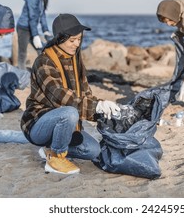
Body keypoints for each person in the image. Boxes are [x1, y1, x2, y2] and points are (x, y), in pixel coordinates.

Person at [20, 13, 120, 175]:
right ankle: (56, 159)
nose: (77, 44)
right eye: (72, 40)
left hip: (64, 125)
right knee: (69, 112)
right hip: (38, 123)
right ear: (60, 38)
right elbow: (60, 96)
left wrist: (103, 108)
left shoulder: (76, 60)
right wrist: (96, 107)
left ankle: (50, 150)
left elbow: (86, 94)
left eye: (79, 39)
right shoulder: (44, 62)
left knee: (93, 151)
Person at [13, 0, 56, 69]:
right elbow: (32, 17)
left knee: (40, 49)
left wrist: (45, 31)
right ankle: (22, 73)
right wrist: (35, 35)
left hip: (32, 28)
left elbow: (42, 15)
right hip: (23, 28)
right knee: (22, 52)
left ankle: (43, 71)